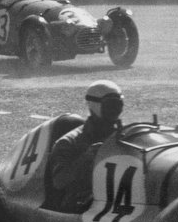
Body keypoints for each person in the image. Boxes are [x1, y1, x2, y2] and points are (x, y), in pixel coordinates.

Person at [46, 81, 124, 213]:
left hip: (120, 200)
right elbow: (59, 181)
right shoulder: (69, 142)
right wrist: (86, 158)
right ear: (94, 105)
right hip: (82, 207)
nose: (114, 109)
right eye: (110, 105)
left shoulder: (125, 136)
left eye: (117, 105)